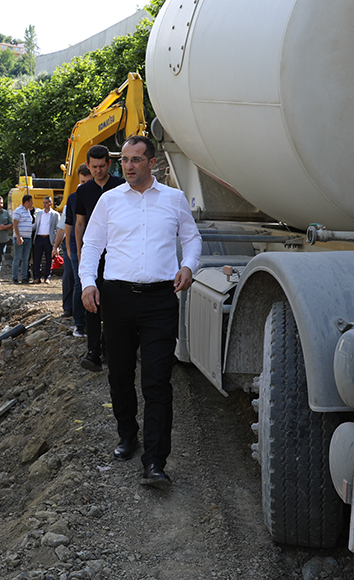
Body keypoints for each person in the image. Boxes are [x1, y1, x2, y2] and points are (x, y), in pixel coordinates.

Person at [80, 135, 202, 489]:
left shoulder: (174, 200)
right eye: (125, 160)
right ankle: (127, 435)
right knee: (119, 374)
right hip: (116, 299)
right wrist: (88, 282)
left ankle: (155, 462)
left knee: (157, 381)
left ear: (152, 163)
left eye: (135, 159)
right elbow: (92, 244)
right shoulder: (109, 200)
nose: (128, 166)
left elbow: (191, 238)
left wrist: (189, 266)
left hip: (160, 301)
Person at [74, 144, 124, 371]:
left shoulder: (122, 187)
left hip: (117, 255)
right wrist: (80, 252)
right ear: (87, 165)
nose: (97, 171)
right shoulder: (83, 191)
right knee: (91, 302)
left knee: (113, 303)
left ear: (109, 164)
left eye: (101, 166)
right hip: (93, 255)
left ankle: (111, 347)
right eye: (93, 167)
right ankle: (93, 349)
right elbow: (80, 224)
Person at [55, 164, 92, 337]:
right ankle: (79, 323)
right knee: (79, 282)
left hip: (95, 245)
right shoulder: (73, 198)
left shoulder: (104, 195)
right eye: (82, 181)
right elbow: (69, 225)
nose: (85, 184)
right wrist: (70, 249)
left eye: (88, 181)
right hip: (78, 247)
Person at [31, 196, 60, 283]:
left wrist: (56, 241)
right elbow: (36, 225)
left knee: (49, 259)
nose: (44, 204)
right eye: (44, 202)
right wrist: (26, 228)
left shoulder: (55, 215)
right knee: (37, 259)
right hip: (39, 238)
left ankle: (47, 277)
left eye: (46, 202)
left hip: (49, 239)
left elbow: (58, 228)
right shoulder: (39, 213)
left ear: (50, 203)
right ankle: (37, 277)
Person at [10, 194, 35, 283]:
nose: (32, 203)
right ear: (27, 202)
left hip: (28, 238)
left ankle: (24, 278)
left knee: (25, 259)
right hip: (20, 238)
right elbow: (15, 224)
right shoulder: (18, 211)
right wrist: (18, 236)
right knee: (17, 258)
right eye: (31, 201)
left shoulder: (28, 211)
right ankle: (15, 278)